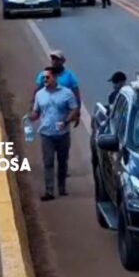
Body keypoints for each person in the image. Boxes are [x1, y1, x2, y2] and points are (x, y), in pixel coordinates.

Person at [29, 67, 80, 201]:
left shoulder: (67, 93)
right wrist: (30, 117)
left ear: (54, 78)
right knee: (48, 162)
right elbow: (36, 112)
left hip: (62, 134)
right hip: (46, 134)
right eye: (43, 78)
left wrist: (66, 121)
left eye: (47, 77)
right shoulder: (40, 95)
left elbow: (74, 109)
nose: (44, 80)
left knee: (62, 161)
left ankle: (62, 187)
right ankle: (49, 190)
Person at [33, 50, 81, 117]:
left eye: (57, 59)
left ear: (63, 61)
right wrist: (33, 108)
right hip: (46, 109)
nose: (54, 61)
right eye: (53, 59)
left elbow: (76, 94)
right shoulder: (44, 74)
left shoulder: (69, 76)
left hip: (63, 111)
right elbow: (37, 90)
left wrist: (77, 111)